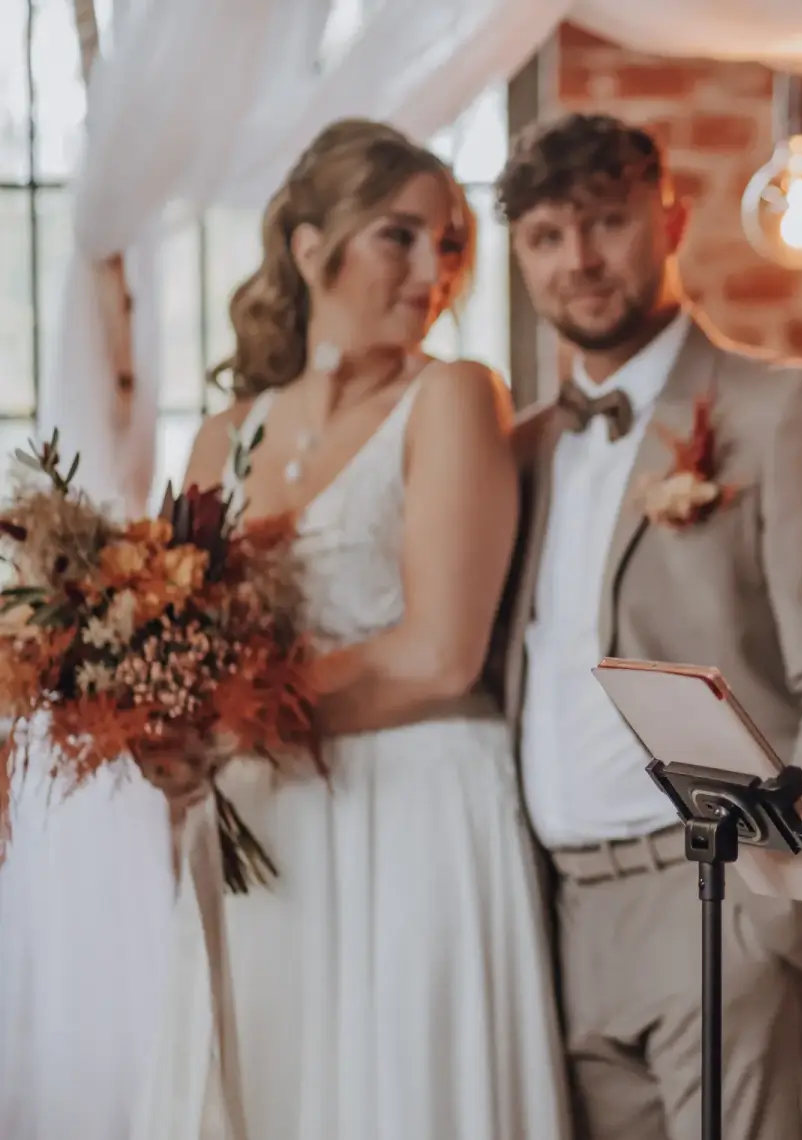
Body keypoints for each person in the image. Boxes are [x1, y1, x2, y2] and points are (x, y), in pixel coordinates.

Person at [130, 119, 569, 1140]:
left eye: (449, 243)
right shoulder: (221, 439)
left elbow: (441, 654)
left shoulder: (453, 397)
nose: (433, 270)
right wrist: (169, 729)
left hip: (416, 805)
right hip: (263, 821)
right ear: (307, 245)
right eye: (399, 236)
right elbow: (175, 641)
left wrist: (238, 715)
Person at [493, 112, 802, 1140]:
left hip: (720, 905)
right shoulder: (517, 454)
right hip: (555, 924)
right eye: (546, 237)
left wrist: (777, 914)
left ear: (671, 220)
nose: (578, 259)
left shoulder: (783, 412)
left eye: (606, 222)